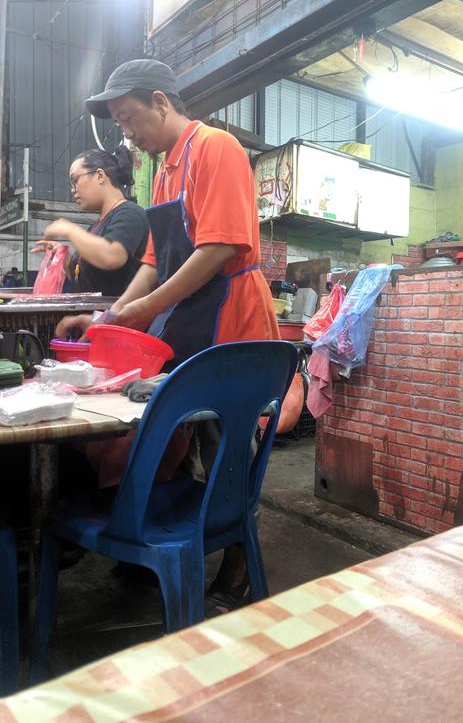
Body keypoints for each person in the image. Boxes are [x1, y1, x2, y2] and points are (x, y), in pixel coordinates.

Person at [56, 59, 289, 611]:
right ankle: (173, 539)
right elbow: (157, 261)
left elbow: (221, 246)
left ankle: (238, 565)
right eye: (119, 123)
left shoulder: (215, 148)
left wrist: (149, 308)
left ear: (162, 102)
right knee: (180, 427)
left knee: (229, 437)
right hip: (189, 312)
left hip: (231, 310)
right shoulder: (160, 172)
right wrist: (117, 313)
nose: (128, 134)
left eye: (131, 117)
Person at [33, 147, 149, 298]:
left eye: (76, 181)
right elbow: (85, 281)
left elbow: (112, 257)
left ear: (100, 176)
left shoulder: (130, 214)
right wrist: (64, 257)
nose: (73, 190)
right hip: (95, 316)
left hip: (118, 319)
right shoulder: (95, 227)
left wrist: (70, 230)